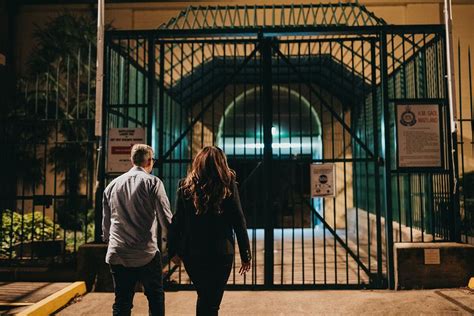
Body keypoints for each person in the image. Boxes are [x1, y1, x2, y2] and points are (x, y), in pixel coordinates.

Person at [168, 146, 252, 316]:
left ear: (199, 162)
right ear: (222, 163)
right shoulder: (228, 185)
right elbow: (238, 220)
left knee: (206, 297)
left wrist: (173, 251)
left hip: (193, 253)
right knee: (211, 302)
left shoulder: (185, 186)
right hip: (221, 253)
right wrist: (246, 254)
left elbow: (177, 222)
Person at [102, 144, 172, 316]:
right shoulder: (153, 183)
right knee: (155, 298)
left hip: (118, 252)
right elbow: (166, 221)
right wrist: (169, 249)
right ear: (149, 161)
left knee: (122, 302)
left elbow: (106, 226)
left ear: (132, 160)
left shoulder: (112, 186)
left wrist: (109, 241)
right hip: (146, 253)